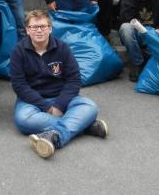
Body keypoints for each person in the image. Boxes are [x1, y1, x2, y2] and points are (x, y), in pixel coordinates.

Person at [10, 10, 108, 158]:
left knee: (90, 106)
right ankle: (83, 125)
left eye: (43, 26)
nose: (39, 30)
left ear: (50, 28)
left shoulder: (62, 48)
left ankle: (55, 136)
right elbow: (19, 85)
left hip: (62, 97)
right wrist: (47, 107)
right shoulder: (18, 51)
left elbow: (74, 79)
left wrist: (60, 105)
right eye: (34, 27)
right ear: (27, 30)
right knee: (23, 120)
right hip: (32, 101)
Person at [118, 0, 159, 81]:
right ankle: (137, 63)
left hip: (148, 36)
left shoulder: (157, 3)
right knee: (125, 27)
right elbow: (124, 20)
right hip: (132, 35)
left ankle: (144, 58)